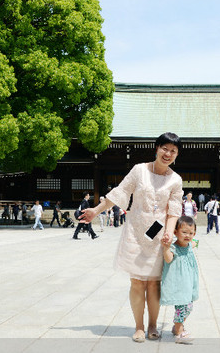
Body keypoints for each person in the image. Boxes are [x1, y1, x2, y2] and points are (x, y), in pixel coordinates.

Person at [78, 132, 182, 342]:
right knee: (136, 282)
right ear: (157, 148)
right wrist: (96, 210)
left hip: (158, 235)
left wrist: (170, 232)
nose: (168, 154)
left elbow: (174, 209)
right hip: (135, 231)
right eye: (165, 148)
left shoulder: (175, 180)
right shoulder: (139, 170)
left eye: (173, 151)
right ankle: (139, 327)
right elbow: (120, 192)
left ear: (176, 155)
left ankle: (153, 325)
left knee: (154, 283)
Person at [160, 215, 199, 344]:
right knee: (182, 307)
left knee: (188, 307)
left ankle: (176, 326)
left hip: (188, 283)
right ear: (175, 232)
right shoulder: (173, 247)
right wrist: (165, 247)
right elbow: (168, 259)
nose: (188, 235)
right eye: (184, 232)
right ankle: (179, 331)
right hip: (178, 283)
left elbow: (195, 243)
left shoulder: (189, 244)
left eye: (191, 233)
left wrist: (196, 242)